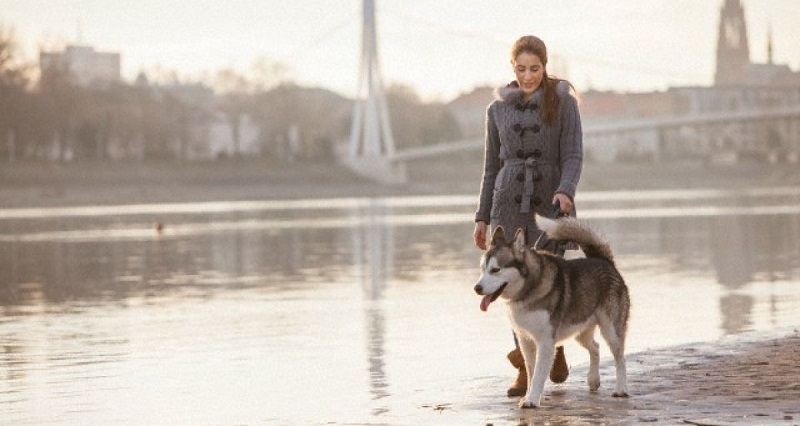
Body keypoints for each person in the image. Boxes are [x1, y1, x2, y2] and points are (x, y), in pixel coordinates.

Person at [472, 35, 583, 397]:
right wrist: (482, 216)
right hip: (507, 203)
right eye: (521, 69)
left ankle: (555, 346)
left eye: (535, 68)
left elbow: (573, 155)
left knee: (548, 279)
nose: (528, 76)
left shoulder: (563, 103)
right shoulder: (496, 110)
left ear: (545, 66)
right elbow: (491, 168)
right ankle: (526, 368)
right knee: (512, 286)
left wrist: (566, 190)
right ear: (513, 67)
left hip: (550, 201)